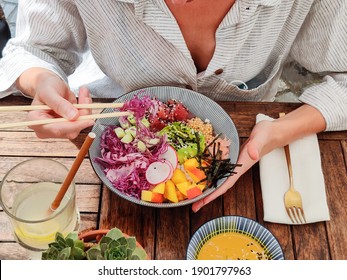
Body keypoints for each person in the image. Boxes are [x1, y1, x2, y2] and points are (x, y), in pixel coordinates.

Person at [0, 0, 346, 212]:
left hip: (247, 169)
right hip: (99, 127)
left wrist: (276, 132)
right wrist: (43, 82)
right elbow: (33, 49)